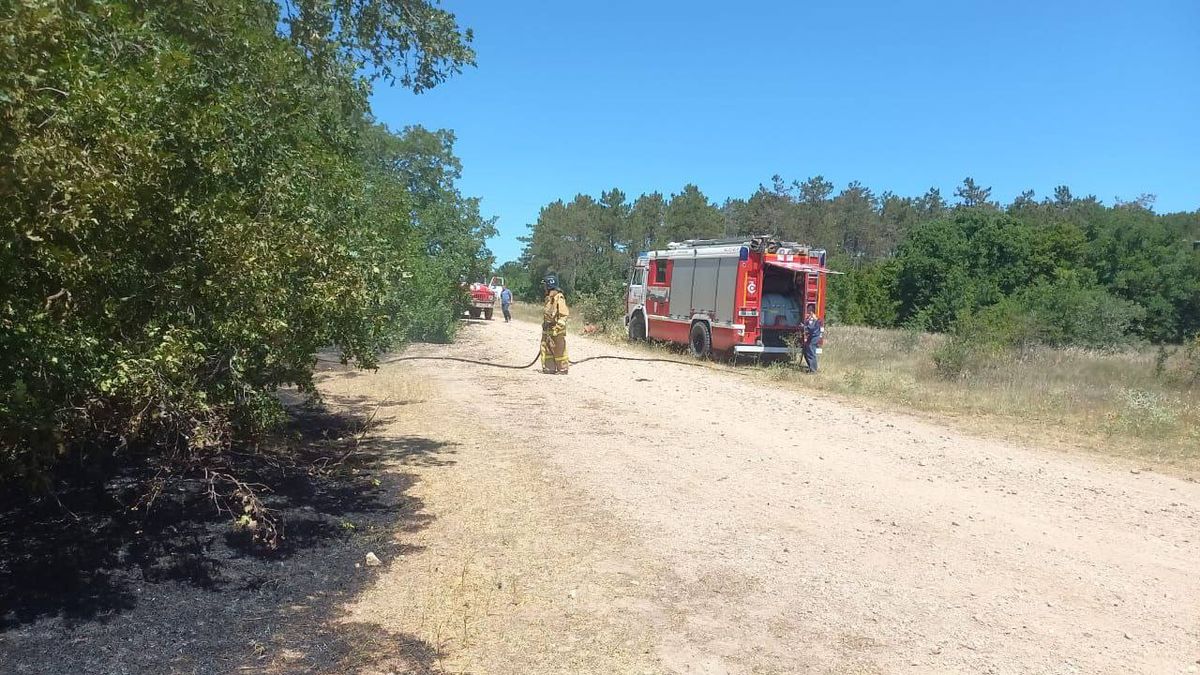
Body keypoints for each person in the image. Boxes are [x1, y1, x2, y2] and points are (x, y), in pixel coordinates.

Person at [540, 274, 570, 374]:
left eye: (545, 285)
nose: (544, 288)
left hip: (556, 331)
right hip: (548, 329)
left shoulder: (558, 298)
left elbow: (563, 315)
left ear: (549, 285)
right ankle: (549, 368)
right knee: (547, 349)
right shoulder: (549, 298)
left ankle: (563, 369)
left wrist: (557, 328)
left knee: (559, 350)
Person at [801, 303, 823, 373]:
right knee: (806, 351)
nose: (808, 310)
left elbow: (811, 327)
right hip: (811, 337)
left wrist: (804, 327)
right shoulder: (810, 317)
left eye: (809, 308)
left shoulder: (814, 317)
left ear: (812, 309)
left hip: (814, 337)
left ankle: (813, 370)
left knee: (811, 352)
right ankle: (811, 367)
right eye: (808, 308)